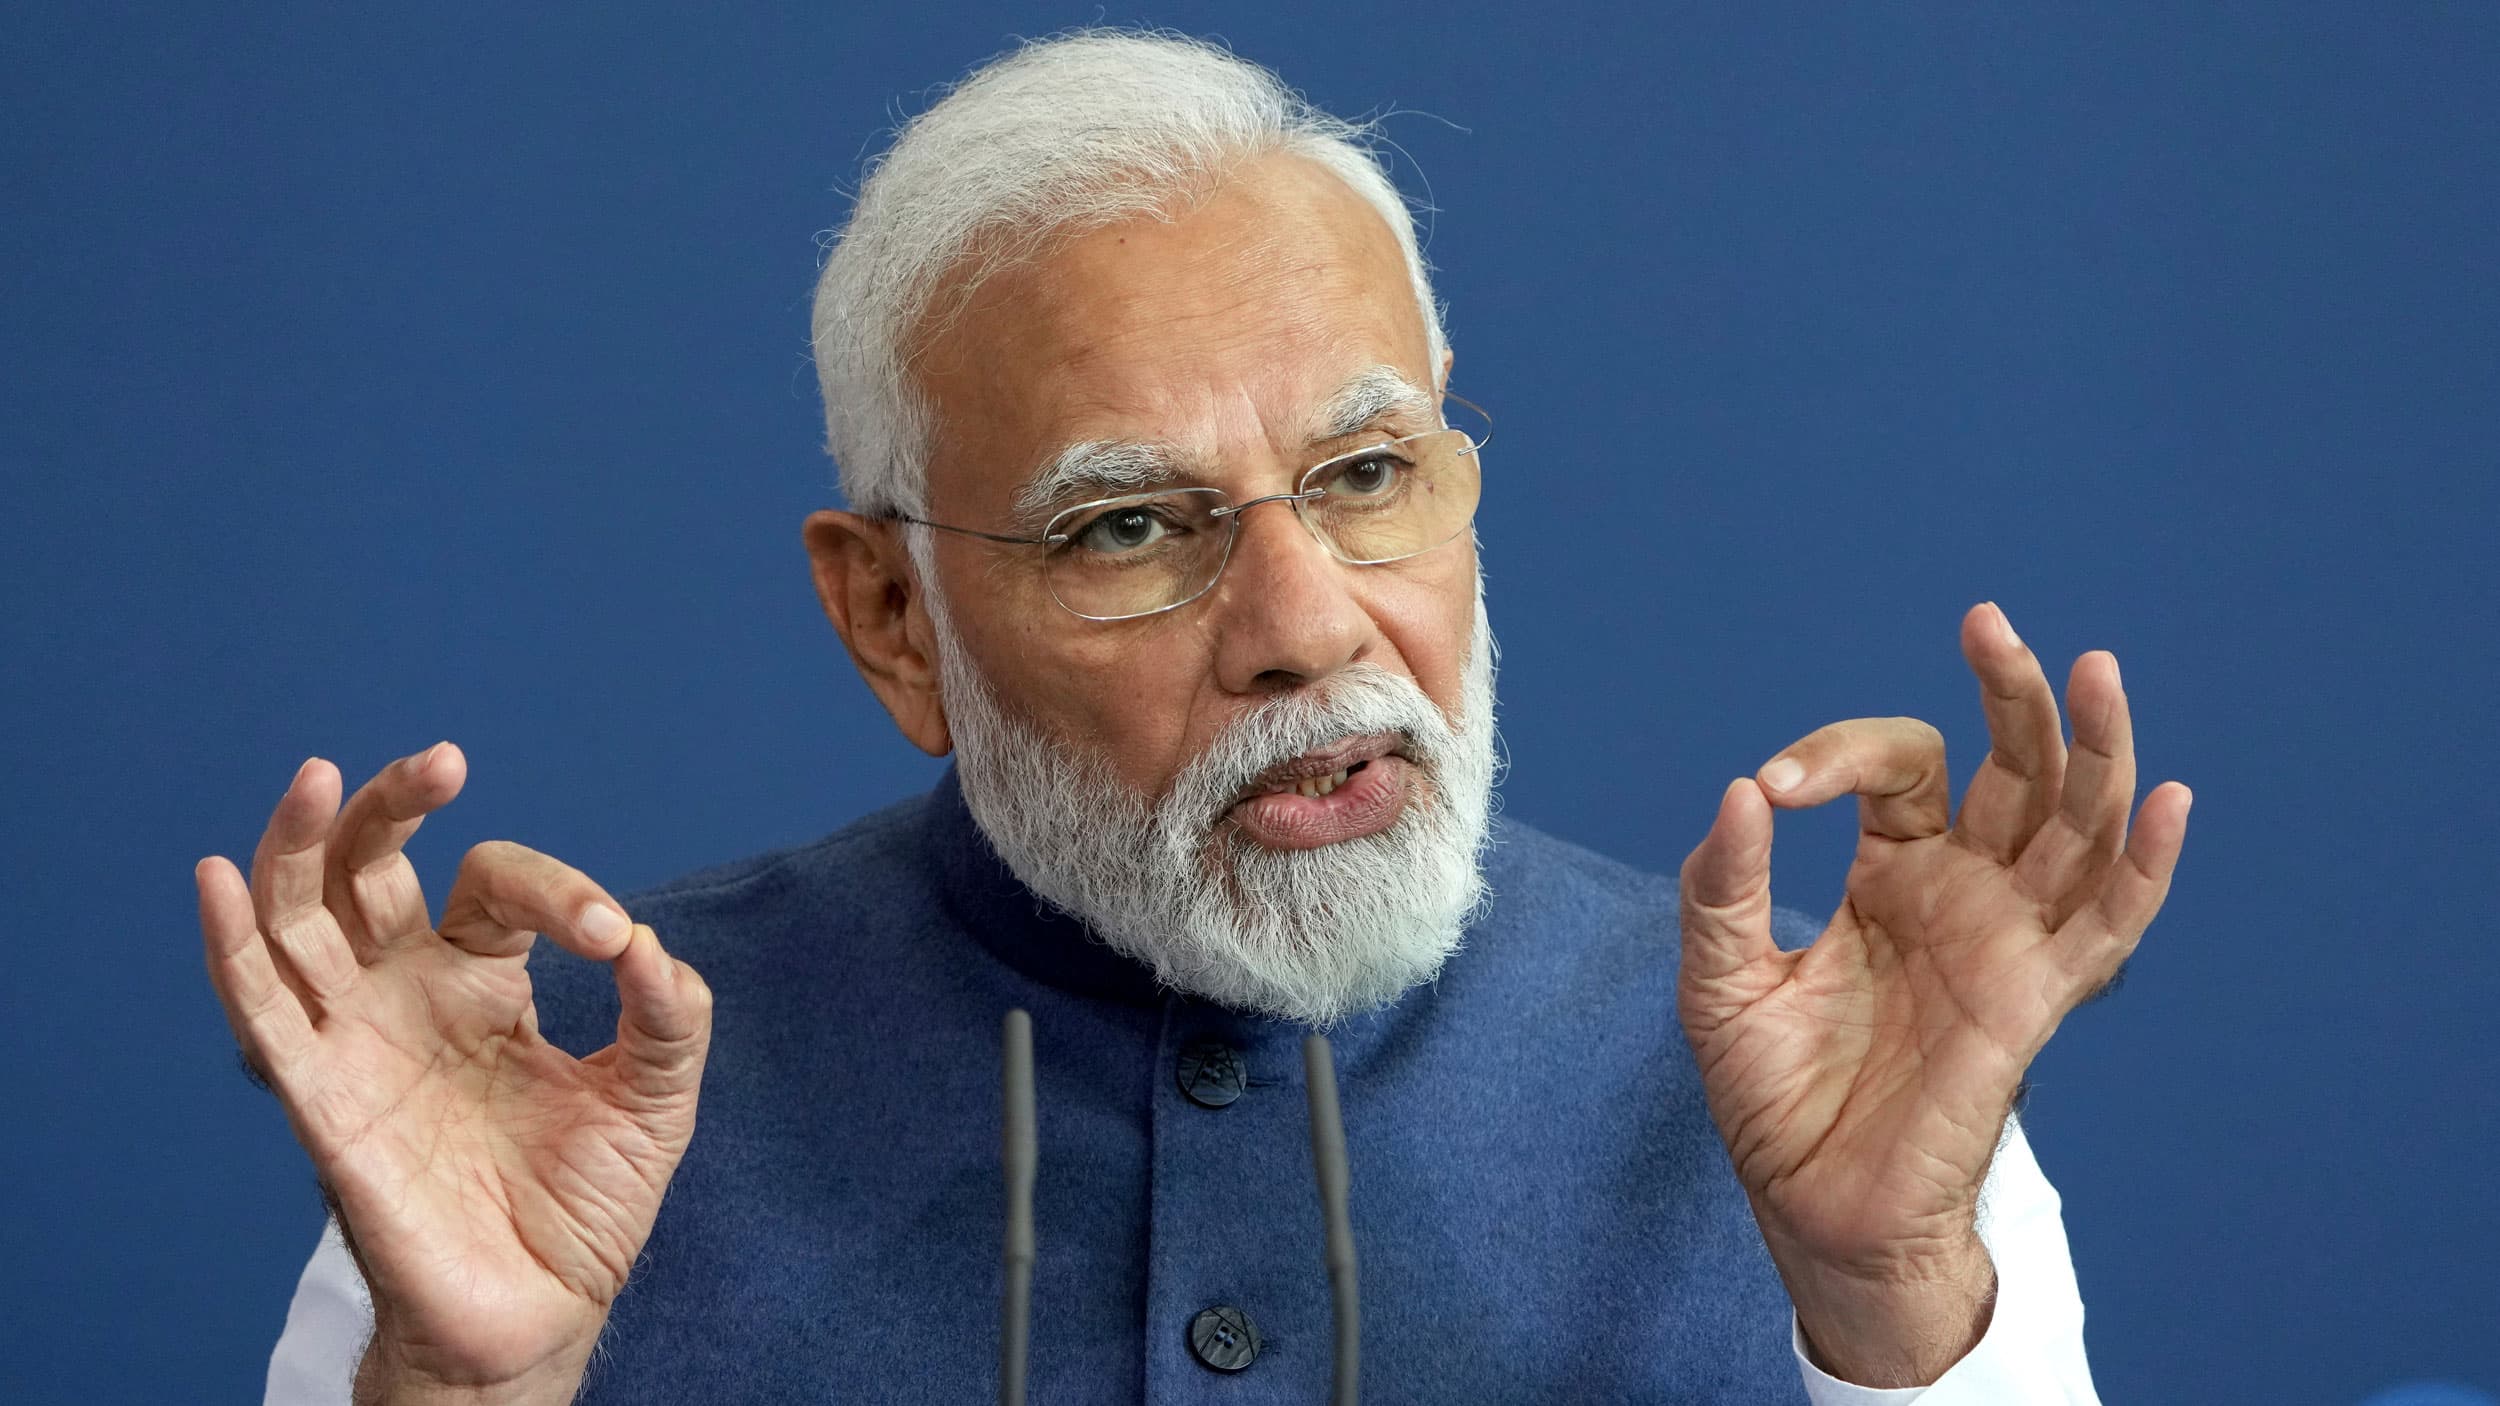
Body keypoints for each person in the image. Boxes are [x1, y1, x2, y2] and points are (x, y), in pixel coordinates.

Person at [202, 30, 2190, 1405]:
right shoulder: (546, 1112)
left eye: (1363, 476)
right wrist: (468, 1384)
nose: (1304, 629)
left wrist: (1885, 1299)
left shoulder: (1834, 1080)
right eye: (1128, 524)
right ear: (892, 616)